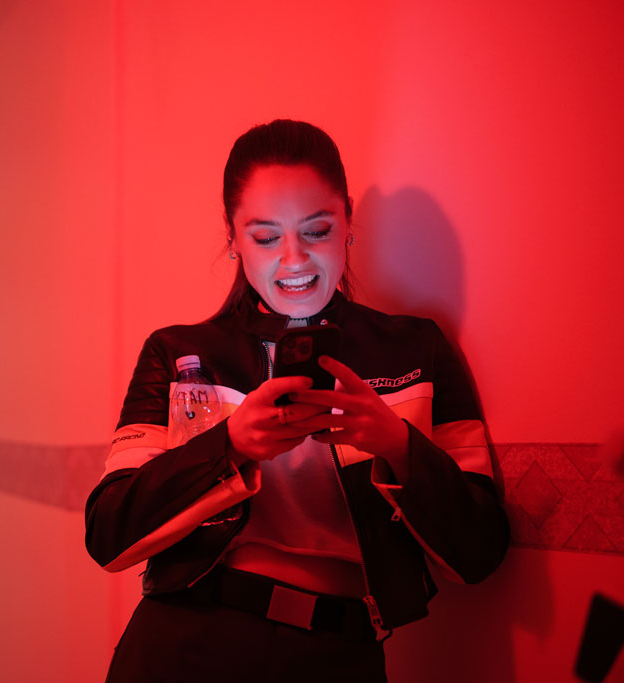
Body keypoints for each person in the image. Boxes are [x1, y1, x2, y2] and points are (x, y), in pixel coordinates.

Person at [84, 119, 510, 682]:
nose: (294, 260)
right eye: (265, 237)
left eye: (316, 230)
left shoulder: (417, 349)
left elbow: (480, 551)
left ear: (348, 222)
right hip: (187, 642)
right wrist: (230, 446)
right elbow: (109, 532)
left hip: (341, 655)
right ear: (233, 237)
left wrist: (397, 444)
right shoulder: (180, 354)